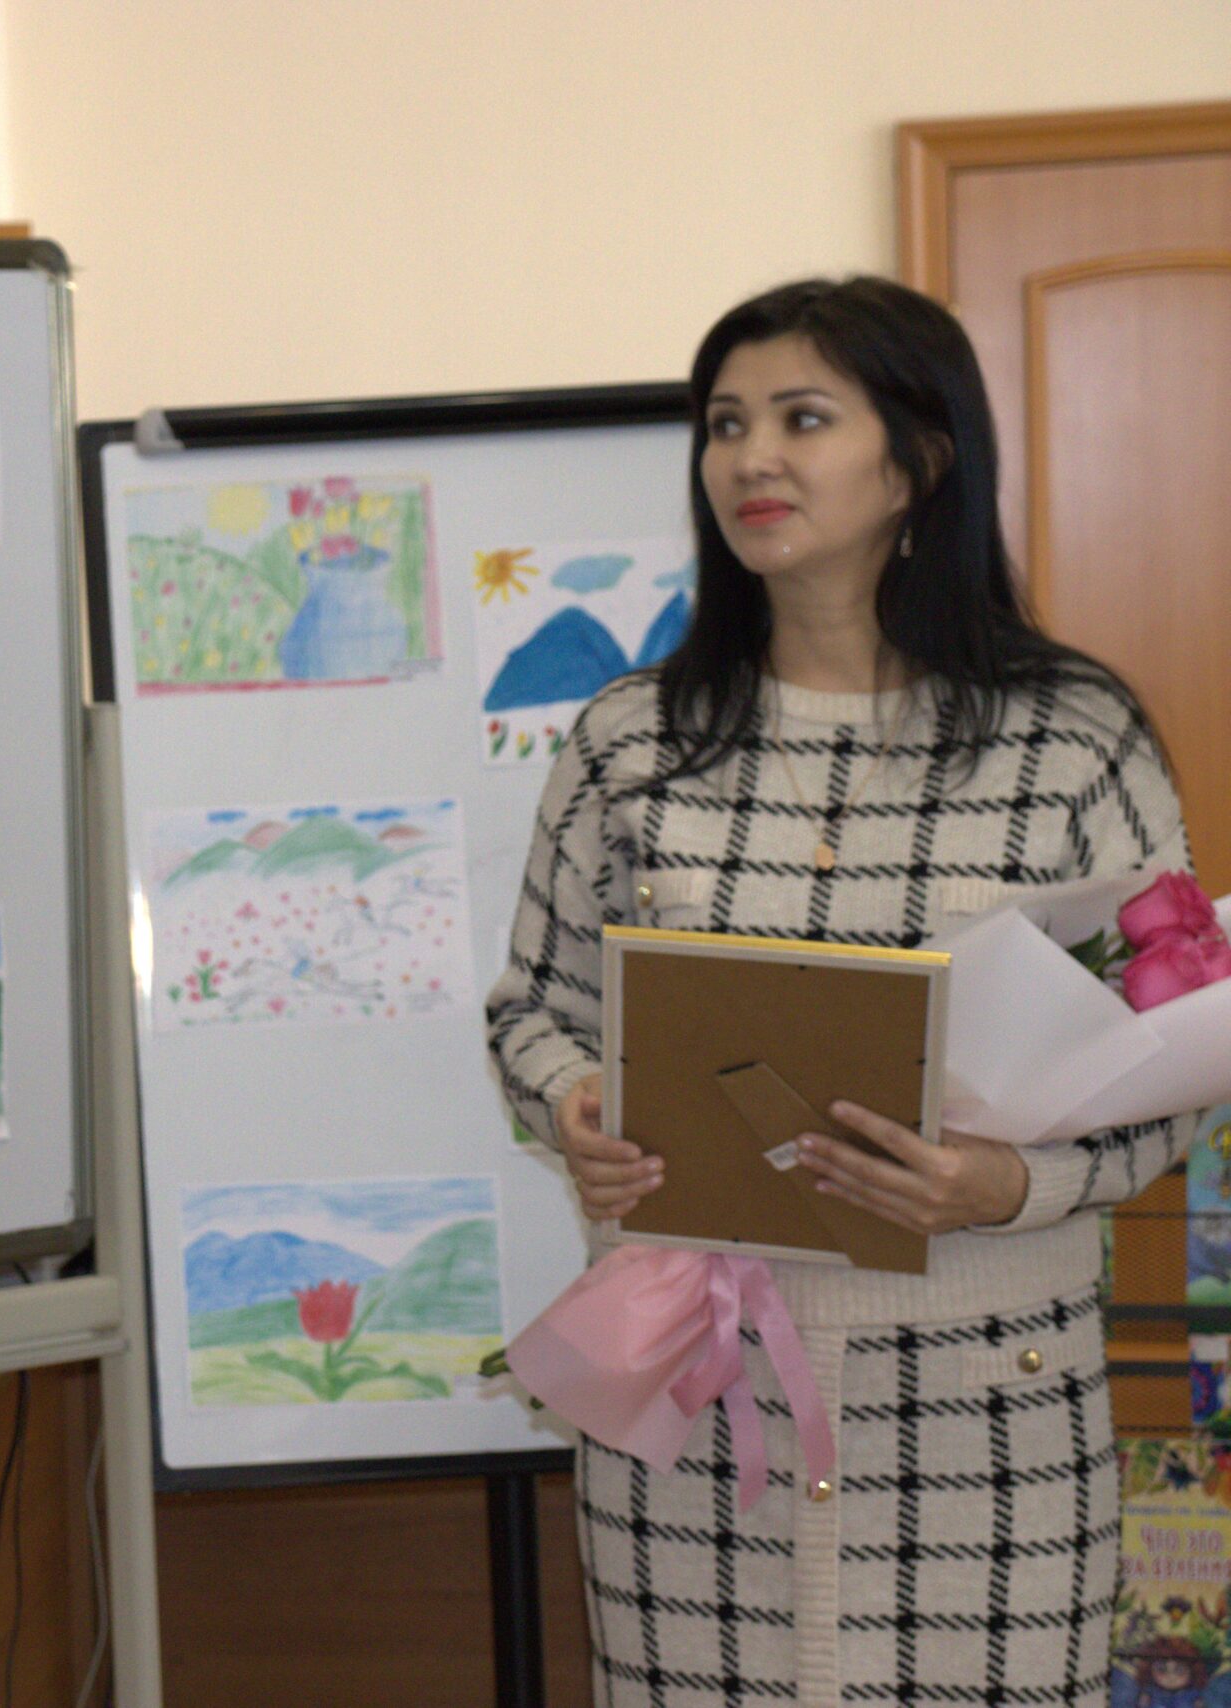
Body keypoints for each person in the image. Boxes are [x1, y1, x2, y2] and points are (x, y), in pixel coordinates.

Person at [485, 276, 1192, 1707]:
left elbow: (1174, 1058)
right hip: (696, 1400)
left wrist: (1003, 1184)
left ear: (919, 458)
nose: (752, 458)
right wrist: (575, 1104)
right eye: (725, 424)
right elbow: (532, 1010)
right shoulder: (631, 742)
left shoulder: (1074, 740)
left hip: (991, 1401)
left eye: (803, 419)